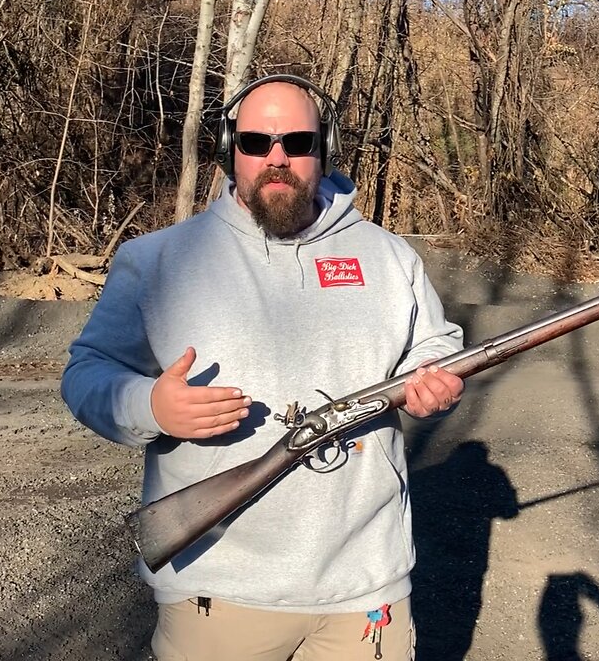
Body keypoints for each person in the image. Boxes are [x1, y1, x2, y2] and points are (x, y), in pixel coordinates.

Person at [60, 74, 465, 661]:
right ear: (230, 149)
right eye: (256, 142)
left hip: (364, 588)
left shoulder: (389, 255)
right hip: (215, 589)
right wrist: (149, 405)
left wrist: (432, 377)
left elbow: (435, 344)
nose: (277, 159)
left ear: (324, 150)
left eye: (297, 143)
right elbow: (85, 373)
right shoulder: (157, 261)